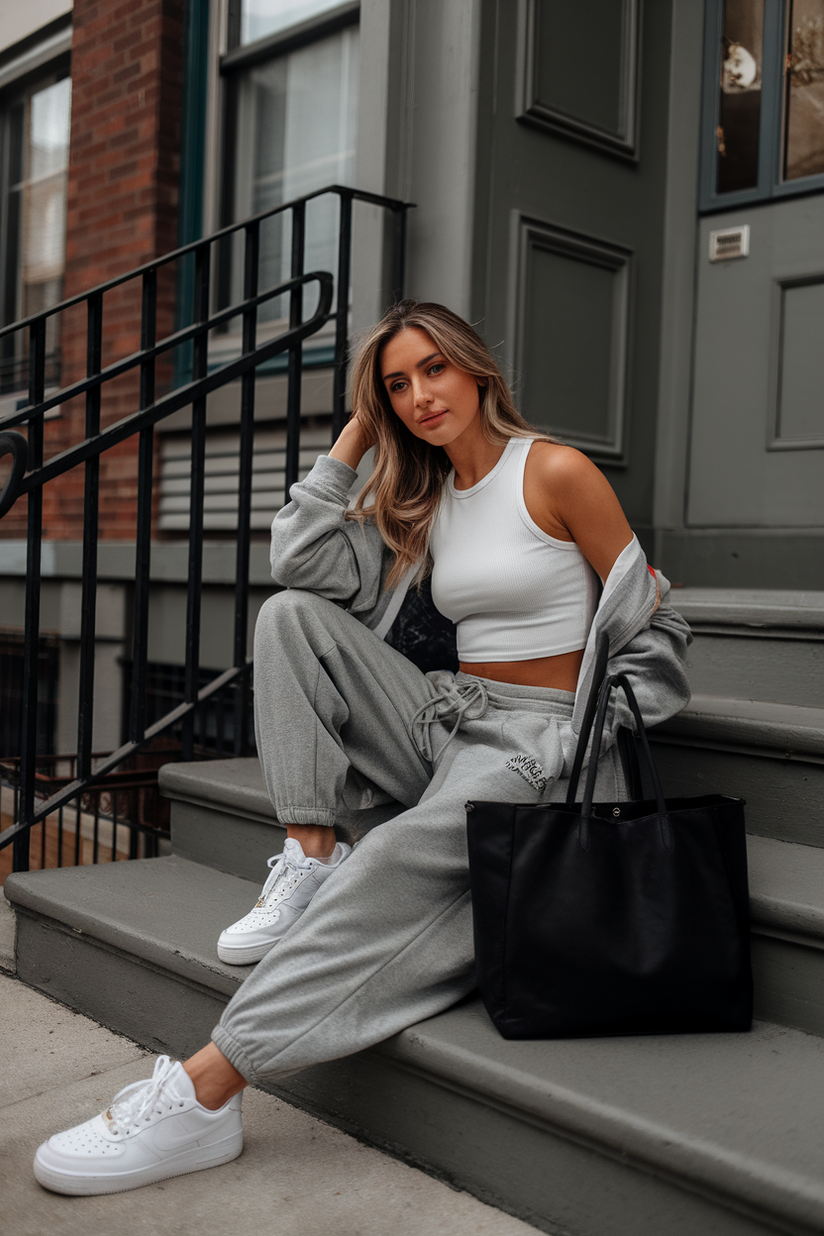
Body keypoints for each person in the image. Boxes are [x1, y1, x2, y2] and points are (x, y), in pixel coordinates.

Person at [33, 301, 691, 1196]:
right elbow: (301, 565)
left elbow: (658, 629)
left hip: (546, 736)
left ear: (476, 370)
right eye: (396, 385)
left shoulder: (557, 471)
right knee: (289, 620)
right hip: (452, 715)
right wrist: (353, 439)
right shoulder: (425, 502)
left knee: (393, 855)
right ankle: (309, 854)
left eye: (434, 370)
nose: (420, 396)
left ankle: (206, 1091)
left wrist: (582, 735)